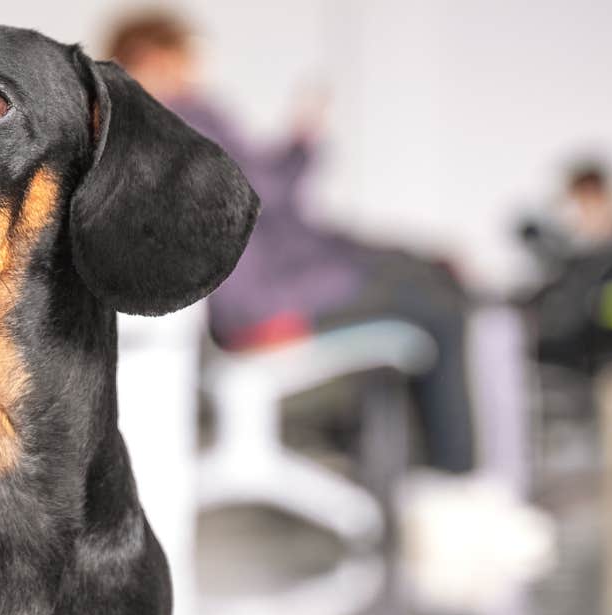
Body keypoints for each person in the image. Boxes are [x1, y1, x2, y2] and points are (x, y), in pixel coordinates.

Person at [105, 11, 478, 475]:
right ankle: (457, 485)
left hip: (246, 297)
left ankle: (434, 480)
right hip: (262, 304)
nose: (195, 70)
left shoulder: (126, 130)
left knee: (426, 280)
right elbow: (263, 191)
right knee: (440, 303)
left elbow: (257, 195)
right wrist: (304, 140)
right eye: (185, 56)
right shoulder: (184, 113)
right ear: (153, 56)